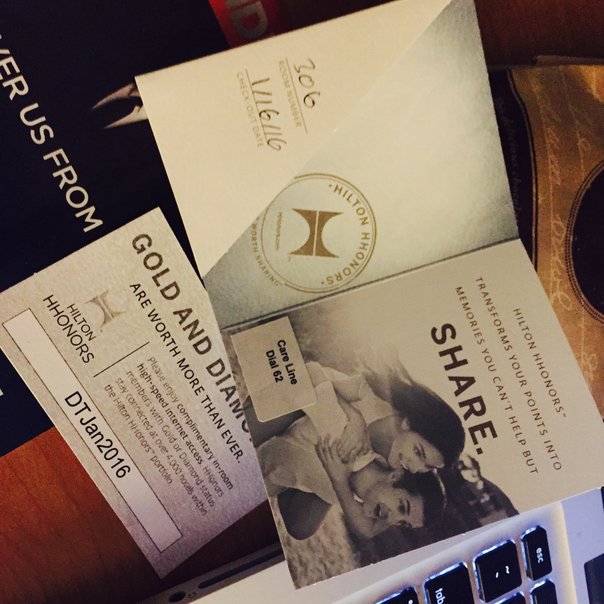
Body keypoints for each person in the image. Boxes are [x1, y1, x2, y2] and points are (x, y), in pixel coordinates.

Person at [257, 356, 465, 539]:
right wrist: (353, 416)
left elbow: (370, 526)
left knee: (302, 525)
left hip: (317, 454)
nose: (415, 467)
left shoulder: (395, 471)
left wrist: (340, 483)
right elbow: (309, 374)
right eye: (418, 452)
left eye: (428, 467)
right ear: (409, 423)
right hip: (302, 404)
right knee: (301, 402)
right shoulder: (373, 400)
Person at [314, 435, 446, 539]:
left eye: (403, 523)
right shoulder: (345, 444)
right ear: (395, 477)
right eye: (401, 507)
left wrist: (339, 482)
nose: (391, 520)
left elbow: (368, 530)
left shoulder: (344, 487)